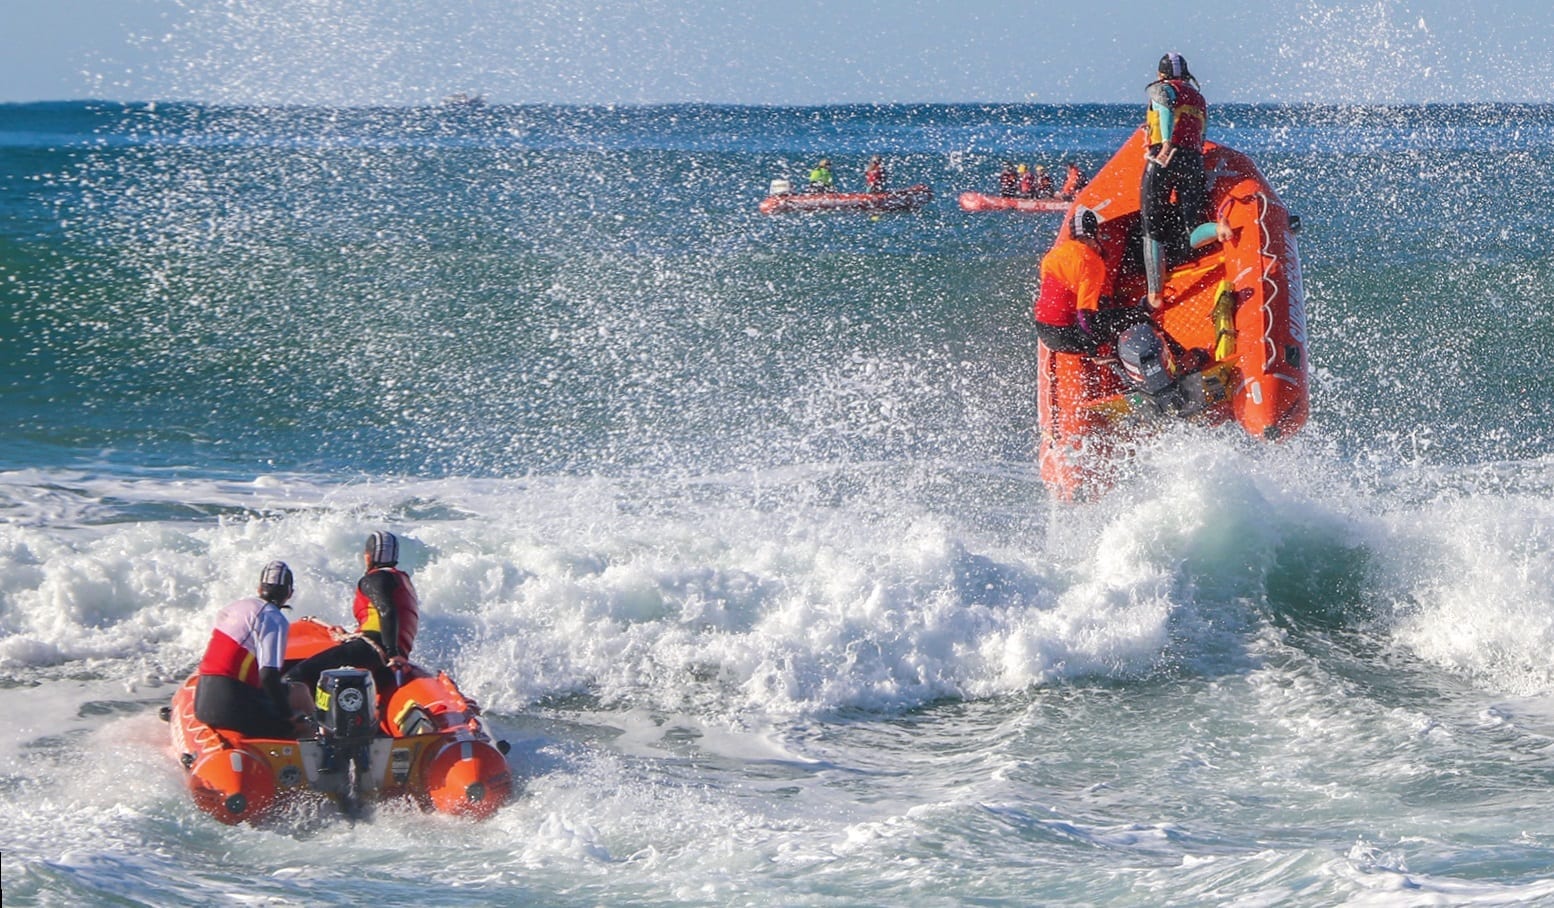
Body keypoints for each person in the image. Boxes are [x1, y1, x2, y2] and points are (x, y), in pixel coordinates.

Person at [284, 531, 422, 697]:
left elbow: (387, 610)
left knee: (294, 676)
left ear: (368, 557)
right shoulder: (403, 581)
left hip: (371, 649)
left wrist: (393, 653)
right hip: (385, 652)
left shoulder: (375, 578)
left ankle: (294, 720)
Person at [1141, 52, 1230, 309]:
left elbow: (1165, 110)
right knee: (1192, 227)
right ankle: (1218, 230)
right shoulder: (1198, 98)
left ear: (1161, 74)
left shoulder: (1161, 90)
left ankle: (1155, 295)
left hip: (1163, 157)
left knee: (1152, 227)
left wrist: (1167, 142)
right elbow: (1201, 134)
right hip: (1192, 160)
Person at [194, 561, 314, 738]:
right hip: (231, 707)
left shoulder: (235, 607)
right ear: (289, 593)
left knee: (298, 690)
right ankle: (321, 755)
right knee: (302, 717)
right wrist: (288, 716)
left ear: (259, 588)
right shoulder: (274, 618)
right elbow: (268, 675)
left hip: (202, 701)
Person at [1033, 207, 1148, 355]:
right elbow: (1083, 315)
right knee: (1137, 315)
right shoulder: (1091, 262)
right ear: (1096, 233)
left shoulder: (1051, 256)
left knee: (1103, 314)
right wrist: (1092, 350)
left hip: (1044, 332)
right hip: (1067, 335)